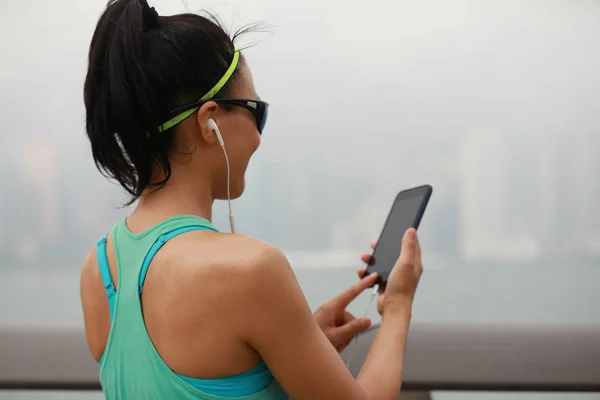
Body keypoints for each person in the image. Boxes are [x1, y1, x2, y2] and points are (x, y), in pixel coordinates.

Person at [79, 0, 424, 399]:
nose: (260, 135)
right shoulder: (251, 270)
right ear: (210, 123)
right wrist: (397, 305)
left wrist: (293, 348)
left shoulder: (99, 267)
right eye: (256, 111)